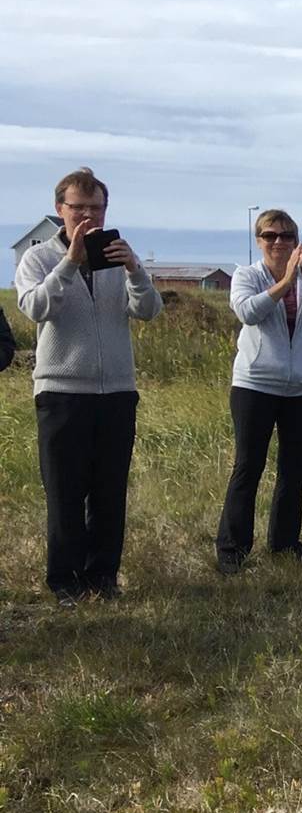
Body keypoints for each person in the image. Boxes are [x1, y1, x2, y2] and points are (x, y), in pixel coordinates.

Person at [13, 167, 161, 600]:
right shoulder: (37, 259)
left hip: (116, 390)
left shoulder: (116, 255)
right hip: (61, 392)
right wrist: (70, 263)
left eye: (96, 207)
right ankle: (65, 581)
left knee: (109, 491)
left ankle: (102, 578)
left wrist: (134, 268)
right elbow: (37, 308)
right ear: (60, 210)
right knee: (65, 492)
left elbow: (149, 310)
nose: (88, 216)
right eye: (78, 208)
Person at [216, 210, 302, 572]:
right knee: (248, 466)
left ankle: (285, 545)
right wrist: (284, 283)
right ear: (259, 240)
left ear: (297, 241)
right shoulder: (246, 275)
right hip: (255, 385)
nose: (279, 242)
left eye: (287, 236)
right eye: (270, 235)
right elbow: (247, 312)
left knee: (293, 469)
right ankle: (232, 551)